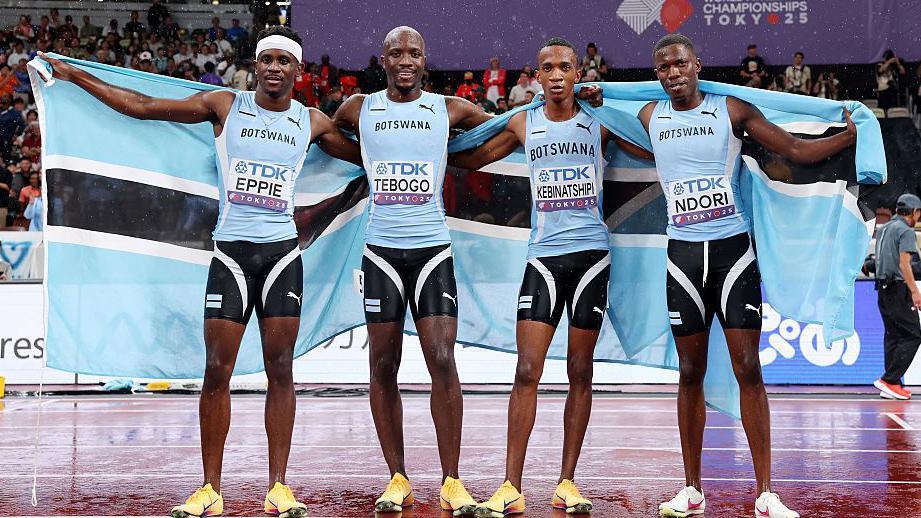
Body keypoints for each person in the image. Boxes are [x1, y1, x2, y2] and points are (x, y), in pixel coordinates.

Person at [39, 25, 362, 518]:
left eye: (284, 61)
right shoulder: (225, 106)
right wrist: (75, 76)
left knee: (281, 369)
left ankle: (279, 486)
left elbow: (370, 157)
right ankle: (210, 486)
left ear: (298, 70)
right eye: (267, 59)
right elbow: (142, 106)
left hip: (282, 258)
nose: (275, 68)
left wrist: (410, 133)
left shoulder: (311, 121)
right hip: (231, 258)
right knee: (217, 371)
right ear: (256, 65)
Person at [621, 33, 855, 518]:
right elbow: (613, 126)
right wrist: (586, 96)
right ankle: (691, 490)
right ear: (656, 75)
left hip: (733, 257)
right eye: (663, 67)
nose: (672, 73)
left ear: (697, 64)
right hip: (683, 260)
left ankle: (766, 492)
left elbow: (795, 149)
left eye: (680, 63)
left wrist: (851, 136)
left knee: (749, 368)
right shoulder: (648, 117)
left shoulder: (730, 110)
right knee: (690, 372)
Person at [449, 37, 651, 518]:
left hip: (591, 259)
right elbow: (474, 158)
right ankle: (510, 486)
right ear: (536, 76)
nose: (556, 74)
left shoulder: (600, 120)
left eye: (564, 66)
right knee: (527, 371)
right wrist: (421, 146)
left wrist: (615, 103)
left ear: (578, 72)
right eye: (547, 68)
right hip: (542, 259)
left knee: (580, 370)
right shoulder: (523, 122)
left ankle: (567, 482)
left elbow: (650, 148)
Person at [332, 25, 494, 515]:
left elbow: (506, 127)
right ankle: (397, 477)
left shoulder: (450, 109)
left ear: (425, 61)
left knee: (442, 359)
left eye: (415, 53)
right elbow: (326, 137)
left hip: (432, 253)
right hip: (380, 253)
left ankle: (451, 481)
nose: (406, 60)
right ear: (382, 59)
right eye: (397, 53)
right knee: (383, 365)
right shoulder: (359, 108)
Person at [872, 193, 921, 400]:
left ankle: (892, 385)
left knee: (893, 336)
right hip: (899, 289)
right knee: (913, 335)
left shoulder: (884, 228)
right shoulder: (905, 231)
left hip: (883, 288)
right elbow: (904, 264)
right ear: (914, 212)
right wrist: (915, 291)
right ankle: (890, 380)